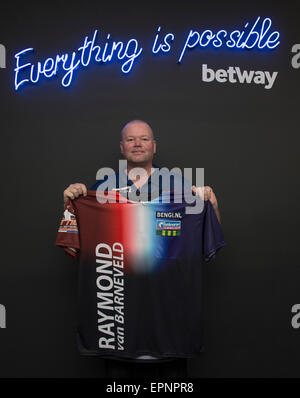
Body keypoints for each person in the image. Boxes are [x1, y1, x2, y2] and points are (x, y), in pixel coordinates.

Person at [62, 120, 222, 378]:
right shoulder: (101, 189)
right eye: (131, 139)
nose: (138, 144)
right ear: (122, 147)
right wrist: (72, 204)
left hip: (170, 317)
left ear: (154, 146)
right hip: (118, 317)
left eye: (144, 138)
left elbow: (209, 239)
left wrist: (211, 205)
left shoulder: (180, 186)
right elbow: (79, 241)